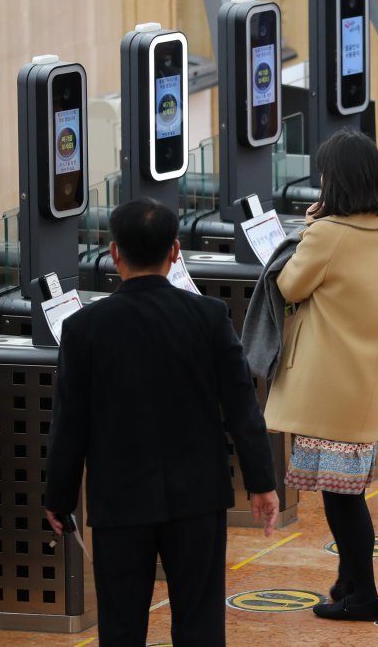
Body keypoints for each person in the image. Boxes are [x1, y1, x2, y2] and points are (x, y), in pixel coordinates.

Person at [44, 199, 279, 647]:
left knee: (120, 623)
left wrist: (59, 496)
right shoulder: (208, 317)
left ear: (114, 253)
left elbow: (69, 424)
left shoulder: (83, 328)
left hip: (119, 500)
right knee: (200, 620)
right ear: (175, 251)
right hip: (197, 497)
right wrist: (261, 482)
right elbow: (242, 407)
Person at [262, 131, 378, 622]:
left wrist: (311, 230)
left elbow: (289, 284)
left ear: (337, 180)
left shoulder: (328, 234)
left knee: (342, 501)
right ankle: (348, 584)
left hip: (327, 381)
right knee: (347, 492)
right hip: (369, 379)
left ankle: (364, 596)